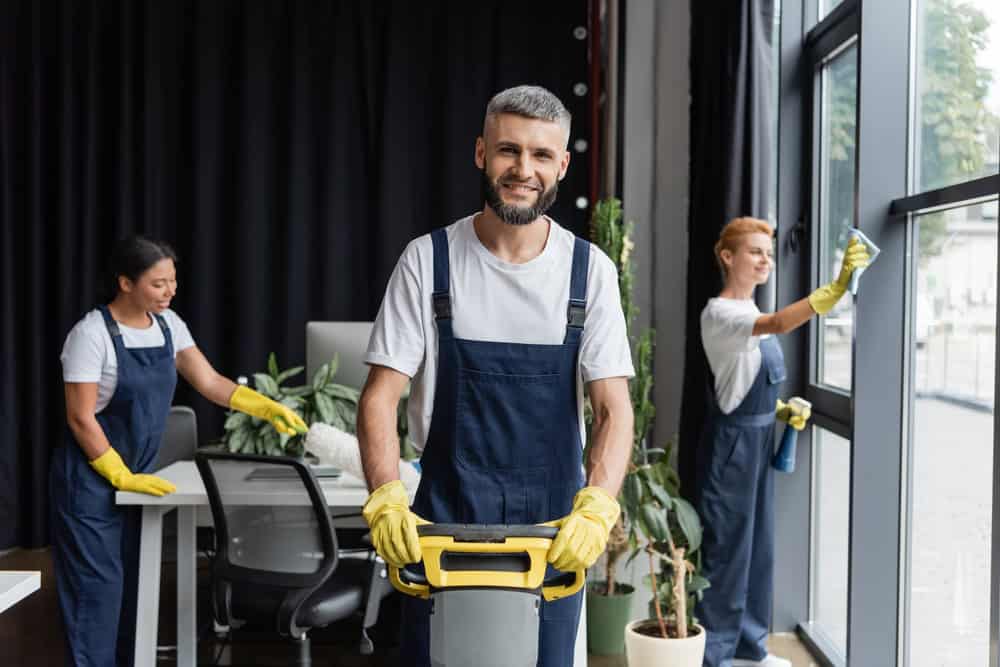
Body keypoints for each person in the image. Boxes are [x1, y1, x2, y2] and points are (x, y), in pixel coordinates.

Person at [356, 85, 635, 666]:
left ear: (562, 164)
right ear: (481, 152)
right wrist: (384, 495)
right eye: (509, 151)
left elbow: (613, 408)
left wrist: (598, 504)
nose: (522, 169)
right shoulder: (428, 261)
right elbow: (381, 397)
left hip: (552, 535)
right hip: (441, 529)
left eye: (540, 155)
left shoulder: (589, 273)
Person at [51, 236, 307, 667]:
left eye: (173, 281)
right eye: (158, 283)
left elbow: (208, 382)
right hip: (90, 482)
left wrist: (262, 405)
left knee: (136, 585)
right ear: (125, 283)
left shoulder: (169, 325)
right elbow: (80, 418)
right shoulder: (90, 335)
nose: (170, 291)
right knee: (97, 593)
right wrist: (117, 473)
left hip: (142, 476)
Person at [695, 217, 869, 667]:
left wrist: (780, 411)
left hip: (756, 441)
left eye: (768, 253)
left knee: (758, 551)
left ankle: (750, 650)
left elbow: (739, 381)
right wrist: (832, 290)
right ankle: (715, 654)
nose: (765, 260)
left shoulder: (749, 317)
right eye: (755, 251)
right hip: (731, 448)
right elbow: (775, 323)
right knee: (726, 553)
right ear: (728, 257)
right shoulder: (721, 313)